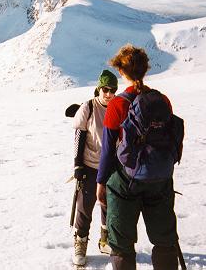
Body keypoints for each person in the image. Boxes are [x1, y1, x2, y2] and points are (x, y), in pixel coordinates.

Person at [96, 44, 180, 270]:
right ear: (145, 70)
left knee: (122, 245)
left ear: (121, 72)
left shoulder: (117, 104)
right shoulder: (162, 100)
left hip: (125, 183)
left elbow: (107, 149)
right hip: (159, 179)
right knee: (164, 241)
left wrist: (101, 182)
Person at [72, 69, 118, 266]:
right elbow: (79, 136)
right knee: (85, 207)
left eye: (113, 90)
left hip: (112, 166)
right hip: (90, 166)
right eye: (105, 89)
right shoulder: (88, 107)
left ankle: (105, 239)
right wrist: (77, 166)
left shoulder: (117, 107)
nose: (109, 94)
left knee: (109, 205)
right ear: (99, 88)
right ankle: (80, 243)